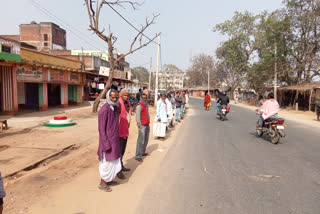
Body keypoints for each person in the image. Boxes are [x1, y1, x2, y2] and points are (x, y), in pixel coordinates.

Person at [97, 89, 122, 192]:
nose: (114, 99)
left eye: (116, 97)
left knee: (114, 161)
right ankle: (102, 183)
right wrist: (106, 144)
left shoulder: (115, 108)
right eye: (112, 97)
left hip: (114, 140)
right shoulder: (104, 110)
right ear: (108, 97)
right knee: (106, 163)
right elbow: (101, 129)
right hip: (107, 142)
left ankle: (109, 180)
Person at [118, 88, 132, 177]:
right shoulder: (119, 103)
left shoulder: (127, 103)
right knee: (119, 151)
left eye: (127, 95)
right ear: (121, 95)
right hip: (119, 130)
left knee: (123, 150)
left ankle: (121, 165)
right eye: (124, 95)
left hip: (125, 129)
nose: (126, 96)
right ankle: (118, 171)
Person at [135, 93, 150, 162]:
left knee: (146, 139)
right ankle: (138, 155)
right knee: (140, 140)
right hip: (142, 125)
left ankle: (143, 152)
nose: (144, 99)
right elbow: (137, 117)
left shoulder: (146, 105)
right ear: (141, 98)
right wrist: (139, 125)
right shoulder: (139, 106)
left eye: (145, 98)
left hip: (147, 124)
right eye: (143, 98)